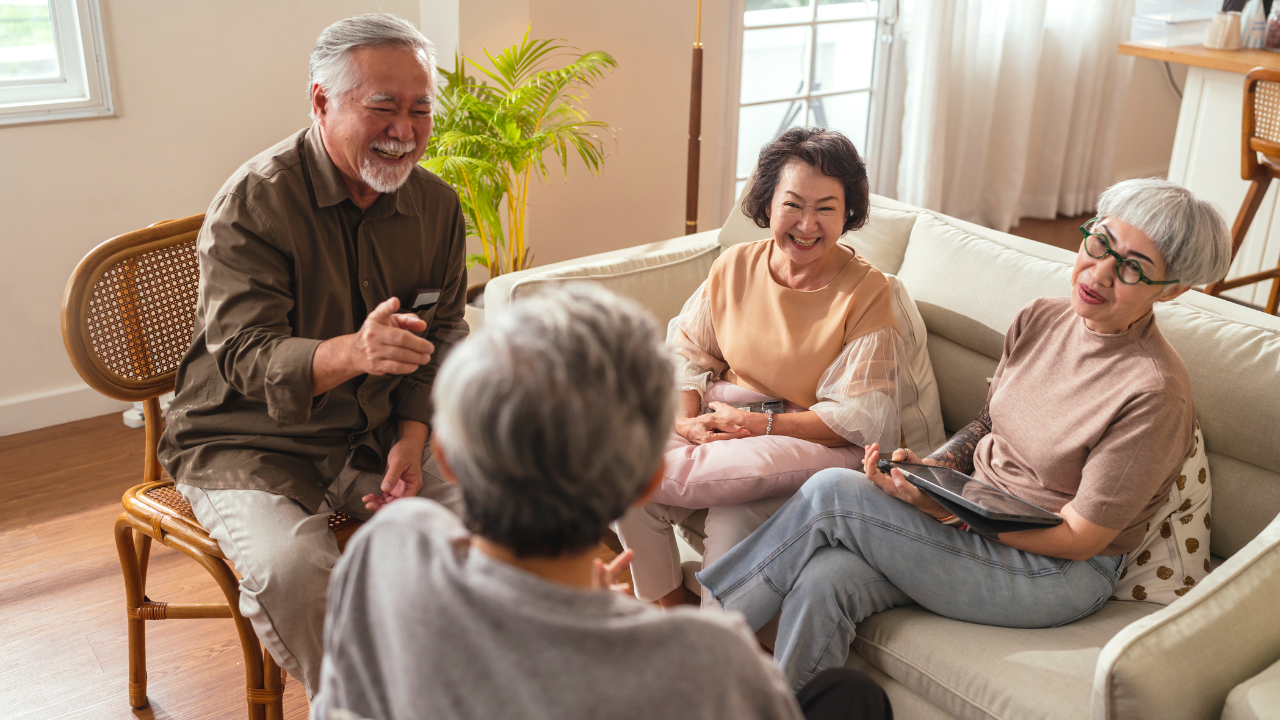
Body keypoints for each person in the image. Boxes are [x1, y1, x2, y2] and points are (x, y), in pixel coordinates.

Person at [696, 178, 1234, 689]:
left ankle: (690, 656)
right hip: (980, 512)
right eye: (1099, 243)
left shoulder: (1155, 393)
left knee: (832, 493)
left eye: (1134, 269)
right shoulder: (1042, 318)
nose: (1098, 274)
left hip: (1055, 572)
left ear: (1174, 290)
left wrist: (950, 513)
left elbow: (1080, 538)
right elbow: (986, 424)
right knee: (826, 579)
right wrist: (931, 475)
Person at [310, 284, 893, 720]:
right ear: (643, 482)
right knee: (853, 698)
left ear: (450, 457)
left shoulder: (386, 550)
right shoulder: (712, 660)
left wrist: (566, 606)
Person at [156, 14, 467, 697]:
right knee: (294, 569)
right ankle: (359, 708)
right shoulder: (254, 202)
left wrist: (413, 440)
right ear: (322, 102)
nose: (406, 130)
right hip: (245, 440)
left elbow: (444, 336)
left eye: (421, 110)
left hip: (379, 434)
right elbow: (243, 356)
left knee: (491, 522)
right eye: (383, 107)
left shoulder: (438, 207)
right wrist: (356, 352)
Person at [615, 127, 904, 608]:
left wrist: (753, 425)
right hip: (725, 418)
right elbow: (687, 353)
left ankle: (715, 648)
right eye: (793, 204)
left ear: (849, 212)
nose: (807, 225)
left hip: (804, 440)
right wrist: (685, 421)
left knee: (732, 514)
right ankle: (668, 616)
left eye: (826, 208)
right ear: (767, 203)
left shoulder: (868, 293)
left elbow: (861, 418)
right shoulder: (734, 266)